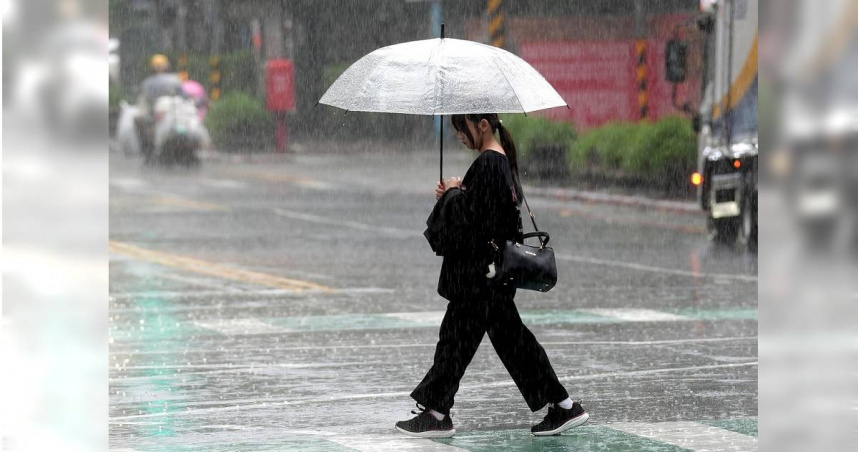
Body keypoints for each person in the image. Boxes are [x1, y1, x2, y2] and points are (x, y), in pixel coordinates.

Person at [395, 113, 589, 438]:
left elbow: (472, 222)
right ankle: (562, 405)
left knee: (458, 341)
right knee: (504, 342)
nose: (459, 136)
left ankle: (437, 414)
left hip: (479, 277)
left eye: (463, 128)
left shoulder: (488, 163)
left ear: (482, 125)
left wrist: (452, 194)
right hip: (490, 276)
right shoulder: (501, 162)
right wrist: (456, 194)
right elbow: (489, 215)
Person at [135, 54, 183, 160]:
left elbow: (145, 100)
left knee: (139, 123)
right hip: (174, 111)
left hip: (156, 114)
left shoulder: (148, 82)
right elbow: (182, 95)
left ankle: (147, 150)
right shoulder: (176, 79)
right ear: (167, 66)